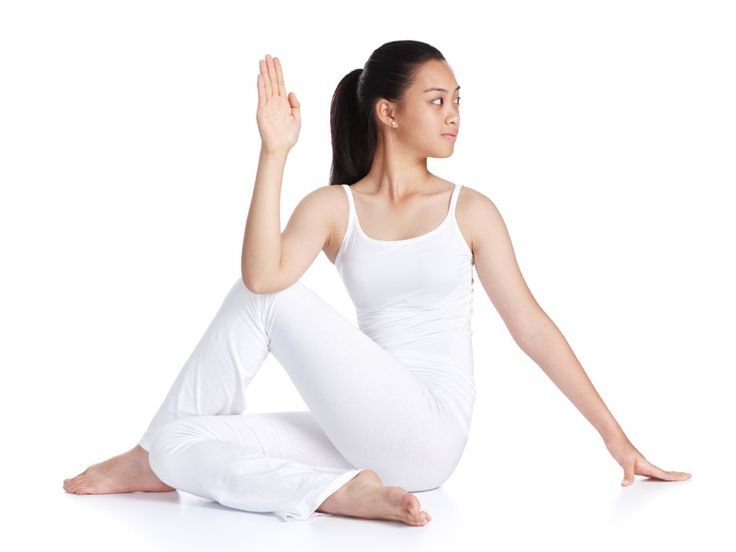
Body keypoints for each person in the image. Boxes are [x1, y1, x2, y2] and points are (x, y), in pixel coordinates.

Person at [63, 40, 691, 525]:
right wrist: (274, 152)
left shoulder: (468, 210)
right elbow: (259, 273)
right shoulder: (334, 207)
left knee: (269, 301)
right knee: (181, 439)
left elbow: (531, 327)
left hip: (429, 434)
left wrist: (618, 440)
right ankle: (317, 488)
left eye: (457, 100)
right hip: (362, 430)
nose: (454, 116)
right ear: (388, 112)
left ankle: (154, 463)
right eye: (437, 100)